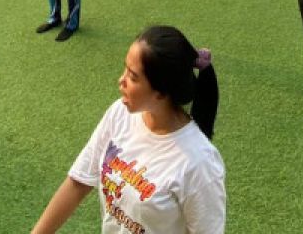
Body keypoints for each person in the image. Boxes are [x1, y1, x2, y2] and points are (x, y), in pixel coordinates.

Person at [30, 26, 223, 234]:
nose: (120, 81)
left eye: (133, 77)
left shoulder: (199, 162)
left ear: (161, 92)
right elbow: (78, 182)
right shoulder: (120, 114)